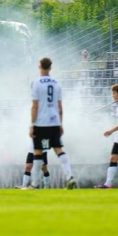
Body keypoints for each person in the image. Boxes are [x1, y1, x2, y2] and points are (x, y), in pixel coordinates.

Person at [28, 57, 76, 190]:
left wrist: (32, 125)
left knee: (37, 151)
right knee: (59, 149)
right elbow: (60, 107)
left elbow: (35, 106)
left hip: (41, 122)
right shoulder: (56, 84)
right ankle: (69, 177)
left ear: (39, 66)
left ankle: (35, 184)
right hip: (54, 121)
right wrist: (61, 123)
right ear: (50, 68)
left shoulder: (36, 83)